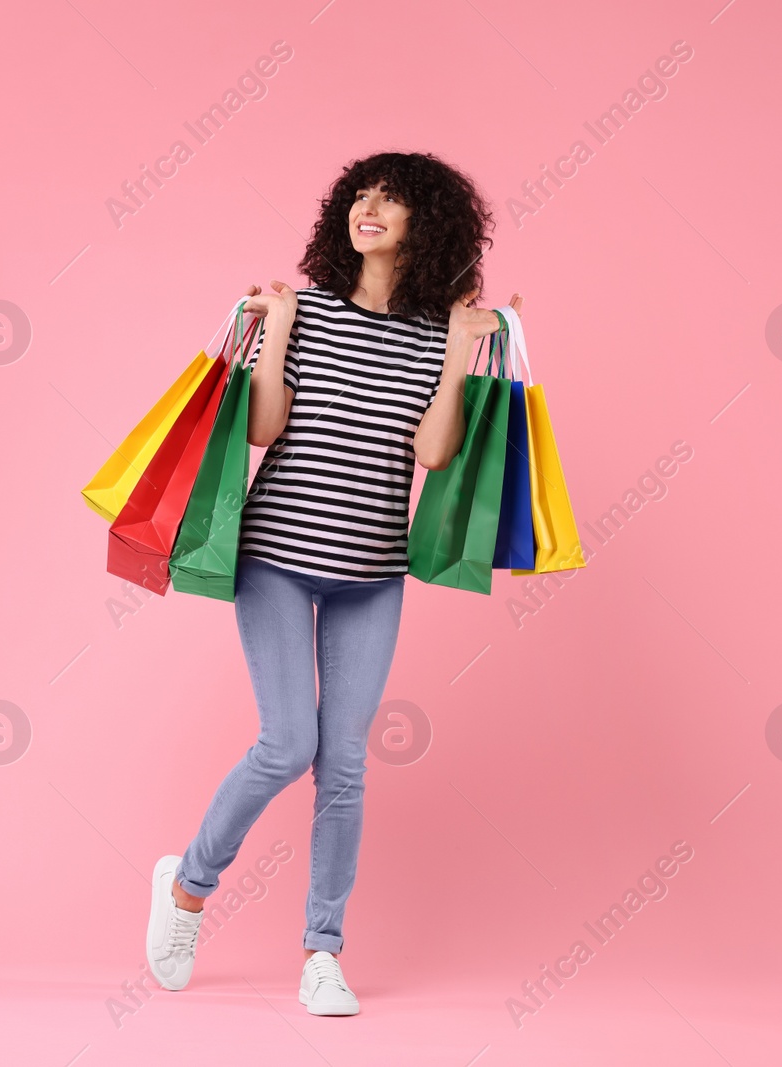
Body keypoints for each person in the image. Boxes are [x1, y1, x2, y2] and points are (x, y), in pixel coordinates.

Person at [145, 151, 522, 1015]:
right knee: (288, 744)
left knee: (344, 763)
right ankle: (188, 891)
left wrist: (463, 350)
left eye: (392, 199)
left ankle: (323, 950)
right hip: (275, 558)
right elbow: (266, 427)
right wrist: (276, 325)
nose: (370, 207)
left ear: (428, 224)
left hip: (371, 573)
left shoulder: (439, 332)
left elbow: (431, 454)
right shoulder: (305, 310)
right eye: (361, 194)